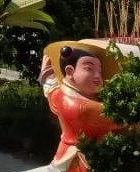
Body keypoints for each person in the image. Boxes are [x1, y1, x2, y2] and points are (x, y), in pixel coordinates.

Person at [40, 41, 123, 171]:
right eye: (89, 69)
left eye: (99, 71)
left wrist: (46, 74)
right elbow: (118, 120)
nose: (98, 76)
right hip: (82, 159)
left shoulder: (62, 94)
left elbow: (51, 89)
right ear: (69, 72)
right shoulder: (78, 106)